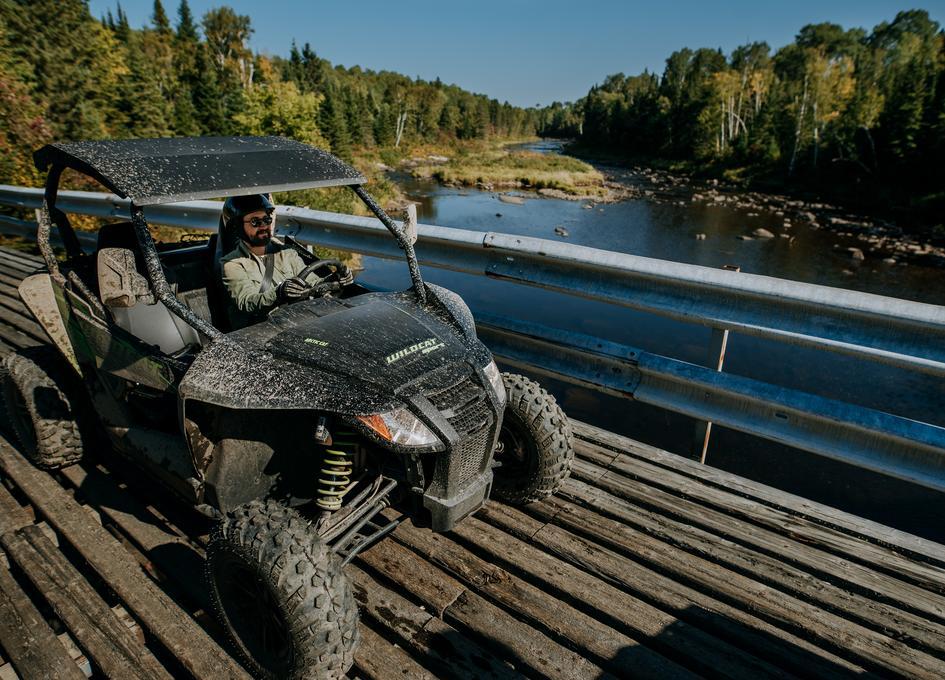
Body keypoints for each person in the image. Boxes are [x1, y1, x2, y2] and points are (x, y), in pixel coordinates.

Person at [219, 194, 313, 329]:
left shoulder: (287, 252)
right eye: (255, 222)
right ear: (237, 226)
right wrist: (279, 293)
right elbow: (247, 302)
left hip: (300, 321)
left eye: (266, 220)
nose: (263, 226)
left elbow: (313, 280)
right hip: (265, 330)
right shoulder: (232, 264)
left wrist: (335, 280)